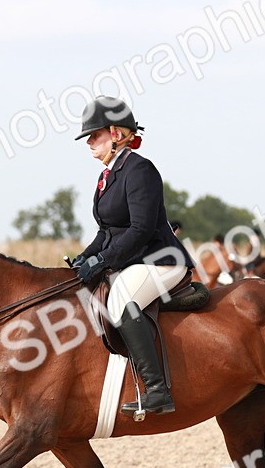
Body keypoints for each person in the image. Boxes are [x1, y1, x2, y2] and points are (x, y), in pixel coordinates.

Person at [72, 97, 194, 416]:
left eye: (94, 134)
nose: (88, 142)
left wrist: (105, 260)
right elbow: (106, 231)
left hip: (162, 260)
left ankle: (156, 390)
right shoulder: (107, 177)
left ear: (116, 133)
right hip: (133, 260)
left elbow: (139, 230)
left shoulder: (140, 170)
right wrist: (85, 258)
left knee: (121, 300)